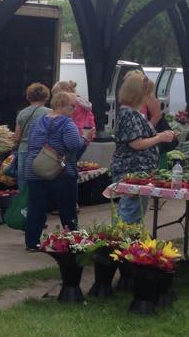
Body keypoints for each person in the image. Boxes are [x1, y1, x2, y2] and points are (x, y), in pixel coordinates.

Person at [23, 91, 94, 251]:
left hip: (35, 169)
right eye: (72, 106)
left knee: (36, 207)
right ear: (61, 105)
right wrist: (85, 138)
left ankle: (32, 242)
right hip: (60, 172)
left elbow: (32, 143)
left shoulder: (38, 121)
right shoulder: (67, 123)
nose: (75, 109)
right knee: (67, 208)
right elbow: (73, 145)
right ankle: (73, 242)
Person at [111, 70, 176, 223]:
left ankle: (126, 242)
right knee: (129, 213)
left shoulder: (132, 112)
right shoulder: (129, 114)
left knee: (134, 211)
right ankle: (122, 243)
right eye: (147, 94)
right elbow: (136, 143)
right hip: (132, 171)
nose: (149, 97)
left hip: (138, 172)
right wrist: (159, 137)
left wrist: (161, 136)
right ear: (137, 94)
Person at [14, 83, 51, 191]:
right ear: (46, 97)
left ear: (28, 97)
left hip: (24, 150)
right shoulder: (50, 113)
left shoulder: (22, 113)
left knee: (24, 180)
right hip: (43, 151)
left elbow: (17, 137)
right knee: (41, 179)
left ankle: (24, 204)